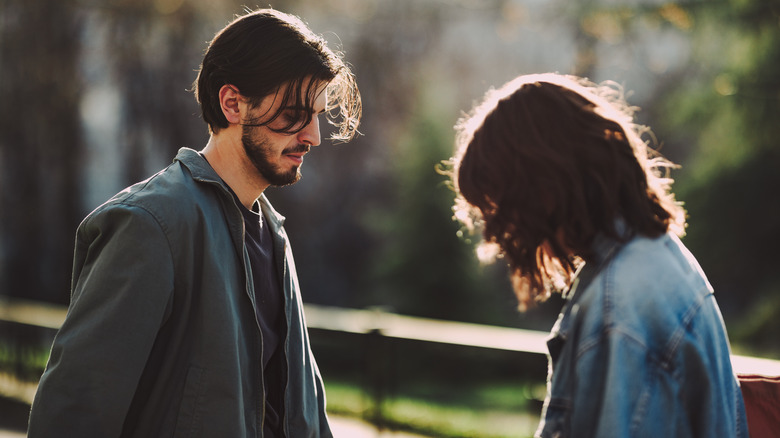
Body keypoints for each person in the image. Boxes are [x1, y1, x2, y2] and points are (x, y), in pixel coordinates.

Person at [28, 8, 360, 438]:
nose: (312, 135)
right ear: (233, 103)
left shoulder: (274, 235)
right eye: (294, 114)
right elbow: (73, 416)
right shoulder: (149, 225)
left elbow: (303, 410)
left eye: (316, 115)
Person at [448, 73, 748, 437]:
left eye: (501, 205)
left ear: (542, 186)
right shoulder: (663, 258)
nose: (502, 231)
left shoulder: (619, 305)